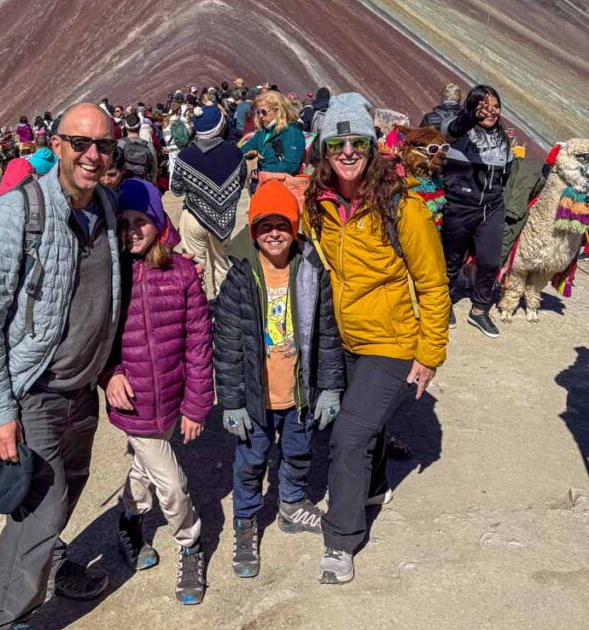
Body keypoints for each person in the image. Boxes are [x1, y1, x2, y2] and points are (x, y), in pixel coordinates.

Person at [0, 103, 122, 630]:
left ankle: (50, 563)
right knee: (39, 507)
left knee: (69, 489)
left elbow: (105, 301)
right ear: (56, 144)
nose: (92, 154)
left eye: (103, 144)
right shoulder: (17, 214)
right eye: (80, 143)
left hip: (82, 389)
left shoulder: (104, 206)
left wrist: (109, 366)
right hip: (34, 391)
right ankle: (4, 629)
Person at [303, 92, 450, 585]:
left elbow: (432, 283)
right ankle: (375, 486)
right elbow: (279, 232)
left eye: (357, 143)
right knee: (356, 426)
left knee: (348, 436)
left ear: (371, 146)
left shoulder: (402, 208)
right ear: (325, 149)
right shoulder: (318, 202)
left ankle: (341, 538)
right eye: (337, 143)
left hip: (390, 342)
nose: (347, 152)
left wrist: (429, 354)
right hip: (342, 338)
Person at [214, 181, 344, 578]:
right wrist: (232, 401)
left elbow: (326, 332)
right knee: (251, 461)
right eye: (265, 225)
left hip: (298, 392)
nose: (275, 233)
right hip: (256, 395)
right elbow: (228, 342)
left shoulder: (311, 271)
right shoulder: (240, 277)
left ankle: (290, 503)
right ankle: (246, 520)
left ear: (295, 227)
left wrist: (331, 386)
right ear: (253, 230)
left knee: (298, 451)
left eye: (283, 225)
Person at [102, 179, 212, 605]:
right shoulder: (112, 276)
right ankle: (191, 542)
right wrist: (109, 374)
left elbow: (198, 344)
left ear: (158, 221)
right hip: (134, 403)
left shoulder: (182, 273)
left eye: (140, 221)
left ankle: (128, 519)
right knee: (172, 483)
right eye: (124, 222)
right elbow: (97, 339)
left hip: (174, 397)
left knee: (144, 473)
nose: (132, 230)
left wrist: (198, 405)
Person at [441, 84, 513, 338]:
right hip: (459, 206)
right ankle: (444, 303)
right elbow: (453, 129)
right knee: (451, 261)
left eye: (495, 106)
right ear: (472, 107)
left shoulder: (503, 140)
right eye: (484, 106)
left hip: (490, 208)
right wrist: (473, 116)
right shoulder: (458, 130)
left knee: (490, 261)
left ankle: (480, 310)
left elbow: (507, 175)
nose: (490, 111)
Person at [171, 105, 247, 294]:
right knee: (223, 266)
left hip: (193, 217)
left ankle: (199, 313)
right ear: (221, 126)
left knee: (195, 268)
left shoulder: (185, 156)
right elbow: (241, 182)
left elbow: (176, 189)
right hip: (224, 221)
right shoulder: (235, 154)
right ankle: (224, 313)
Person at [240, 91, 306, 187]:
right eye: (258, 112)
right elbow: (246, 148)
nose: (260, 116)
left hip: (282, 188)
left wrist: (265, 175)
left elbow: (290, 164)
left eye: (264, 112)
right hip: (263, 184)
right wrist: (248, 154)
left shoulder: (292, 131)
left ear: (277, 110)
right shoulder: (263, 131)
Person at [118, 113, 157, 182]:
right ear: (140, 127)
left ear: (126, 127)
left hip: (124, 184)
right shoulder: (148, 145)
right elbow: (154, 169)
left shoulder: (120, 144)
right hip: (144, 184)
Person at [162, 101, 190, 185]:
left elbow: (165, 137)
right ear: (178, 110)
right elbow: (189, 131)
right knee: (183, 168)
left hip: (171, 148)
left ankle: (172, 187)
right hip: (180, 147)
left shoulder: (166, 120)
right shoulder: (180, 120)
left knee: (172, 168)